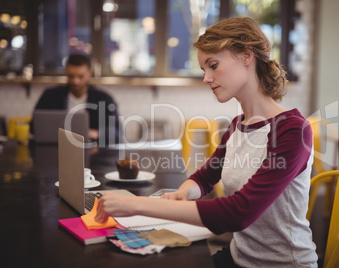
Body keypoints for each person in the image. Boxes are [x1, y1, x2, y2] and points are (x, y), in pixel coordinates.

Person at [95, 17, 318, 267]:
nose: (206, 79)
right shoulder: (237, 125)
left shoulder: (292, 131)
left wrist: (138, 205)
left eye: (213, 65)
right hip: (240, 257)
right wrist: (184, 192)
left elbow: (238, 213)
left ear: (246, 56)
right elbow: (206, 177)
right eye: (204, 70)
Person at [31, 53, 121, 145]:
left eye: (80, 76)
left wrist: (97, 133)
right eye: (71, 76)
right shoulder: (50, 96)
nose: (75, 81)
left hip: (92, 152)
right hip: (55, 148)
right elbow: (34, 127)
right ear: (66, 73)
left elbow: (117, 133)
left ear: (89, 74)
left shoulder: (104, 99)